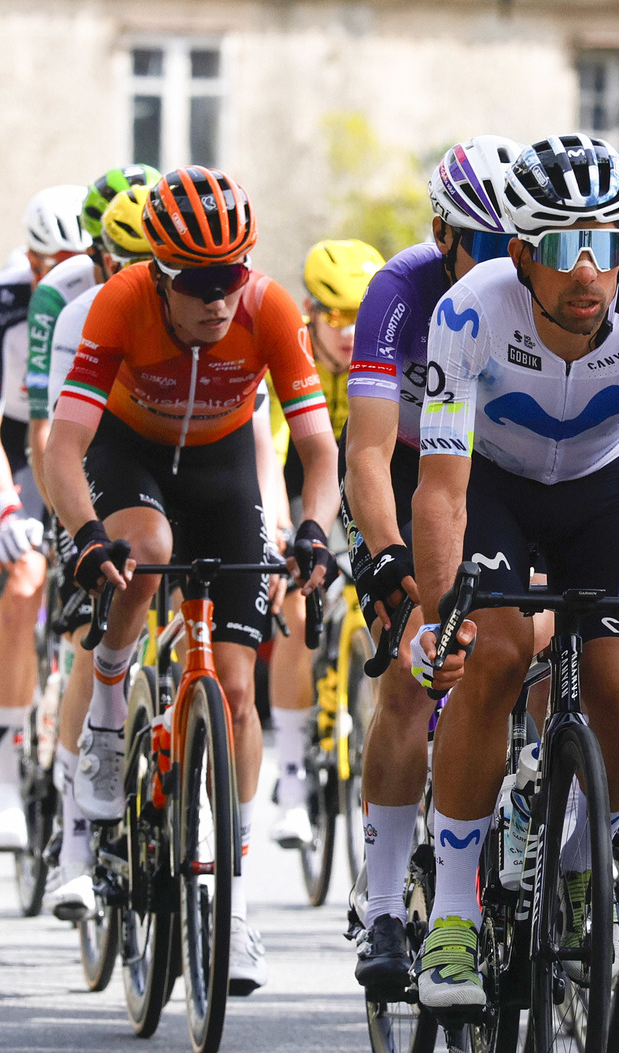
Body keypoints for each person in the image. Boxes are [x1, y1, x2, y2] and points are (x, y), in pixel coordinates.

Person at [407, 132, 619, 1008]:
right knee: (496, 657)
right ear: (521, 255)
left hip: (603, 487)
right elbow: (441, 491)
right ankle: (454, 914)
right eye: (562, 249)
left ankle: (584, 859)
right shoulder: (470, 311)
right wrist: (442, 616)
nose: (588, 272)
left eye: (606, 245)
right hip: (497, 487)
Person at [43, 167, 340, 996]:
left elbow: (318, 449)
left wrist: (312, 527)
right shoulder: (118, 303)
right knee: (144, 550)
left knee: (237, 691)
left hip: (222, 467)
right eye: (200, 284)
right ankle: (108, 723)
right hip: (130, 455)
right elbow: (63, 446)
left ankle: (232, 904)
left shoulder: (267, 309)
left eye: (232, 275)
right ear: (160, 276)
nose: (219, 299)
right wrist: (85, 535)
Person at [344, 135, 521, 996]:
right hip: (409, 472)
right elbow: (368, 453)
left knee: (527, 643)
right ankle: (381, 903)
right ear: (445, 236)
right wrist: (388, 557)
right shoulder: (399, 292)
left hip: (491, 474)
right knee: (415, 671)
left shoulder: (533, 294)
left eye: (515, 244)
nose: (504, 263)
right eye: (485, 246)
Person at [35, 182, 158, 915]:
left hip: (178, 469)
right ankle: (73, 830)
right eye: (126, 262)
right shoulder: (77, 308)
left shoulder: (212, 310)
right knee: (94, 628)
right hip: (95, 465)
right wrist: (77, 530)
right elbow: (56, 438)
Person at [0, 185, 81, 854]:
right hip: (15, 441)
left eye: (74, 262)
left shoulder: (106, 291)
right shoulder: (2, 301)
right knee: (23, 581)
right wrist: (4, 507)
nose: (60, 278)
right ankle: (4, 768)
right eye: (47, 265)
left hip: (80, 435)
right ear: (30, 261)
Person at [269, 238, 382, 849]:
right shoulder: (289, 352)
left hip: (359, 475)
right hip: (296, 477)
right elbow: (271, 453)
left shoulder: (385, 349)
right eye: (336, 316)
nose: (350, 332)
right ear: (310, 311)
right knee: (294, 600)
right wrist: (280, 535)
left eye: (361, 315)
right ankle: (290, 775)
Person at [25, 165, 160, 485]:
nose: (146, 278)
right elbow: (45, 425)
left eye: (155, 260)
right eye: (126, 260)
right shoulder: (61, 296)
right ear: (97, 255)